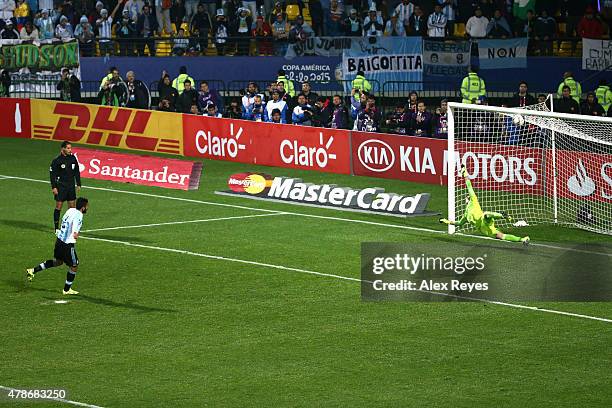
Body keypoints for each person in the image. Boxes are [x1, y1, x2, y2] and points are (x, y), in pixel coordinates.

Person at [440, 167, 530, 245]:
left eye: (467, 196)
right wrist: (446, 221)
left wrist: (465, 173)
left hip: (484, 220)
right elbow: (459, 223)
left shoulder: (473, 200)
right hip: (483, 229)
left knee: (486, 214)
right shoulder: (465, 215)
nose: (467, 197)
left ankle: (503, 215)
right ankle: (523, 239)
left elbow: (469, 186)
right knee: (501, 236)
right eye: (466, 197)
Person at [26, 197, 89, 295]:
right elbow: (75, 230)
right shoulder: (79, 215)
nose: (87, 208)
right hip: (67, 244)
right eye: (87, 206)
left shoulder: (70, 210)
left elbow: (64, 220)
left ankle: (33, 270)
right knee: (74, 265)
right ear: (83, 207)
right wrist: (75, 234)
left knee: (58, 262)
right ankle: (67, 289)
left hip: (59, 241)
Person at [49, 141, 81, 233]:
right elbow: (52, 175)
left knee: (72, 208)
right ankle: (56, 228)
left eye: (70, 148)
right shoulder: (57, 161)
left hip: (70, 186)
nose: (70, 150)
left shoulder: (73, 158)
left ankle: (70, 227)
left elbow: (77, 171)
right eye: (68, 148)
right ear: (63, 149)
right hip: (61, 186)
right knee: (59, 206)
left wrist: (78, 183)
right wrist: (54, 187)